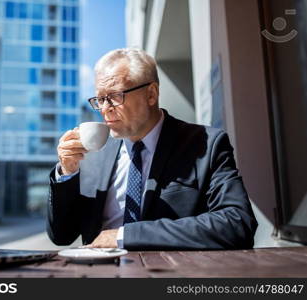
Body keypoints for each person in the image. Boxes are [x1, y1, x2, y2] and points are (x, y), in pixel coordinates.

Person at [47, 48, 258, 250]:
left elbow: (237, 223)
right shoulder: (94, 154)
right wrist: (67, 173)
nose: (104, 108)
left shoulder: (206, 144)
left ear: (151, 94)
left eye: (114, 96)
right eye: (100, 99)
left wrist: (125, 236)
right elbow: (61, 236)